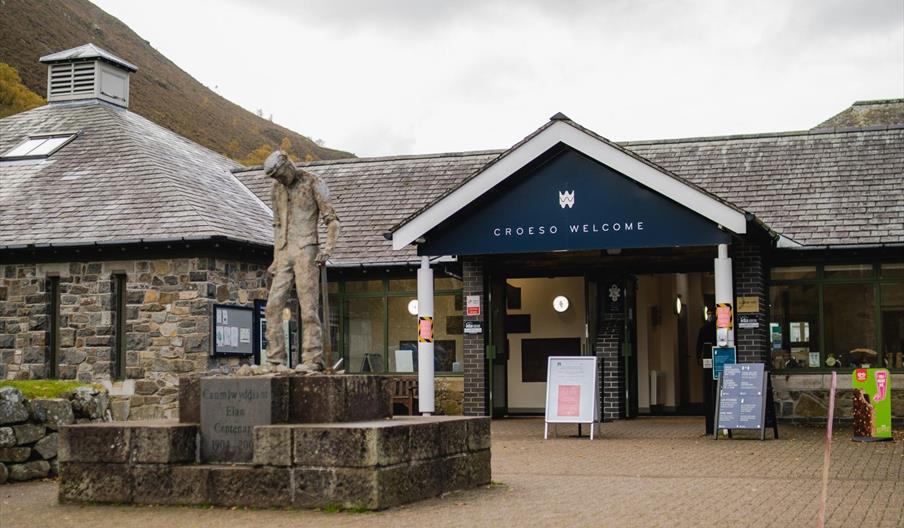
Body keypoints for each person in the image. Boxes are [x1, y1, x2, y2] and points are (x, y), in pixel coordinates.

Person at [263, 150, 340, 371]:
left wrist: (328, 248)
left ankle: (312, 359)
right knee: (272, 306)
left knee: (308, 308)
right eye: (274, 177)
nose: (279, 180)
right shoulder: (276, 189)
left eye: (279, 174)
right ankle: (275, 360)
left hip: (307, 249)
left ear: (288, 165)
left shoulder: (313, 182)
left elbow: (332, 221)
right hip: (285, 252)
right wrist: (277, 257)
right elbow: (277, 226)